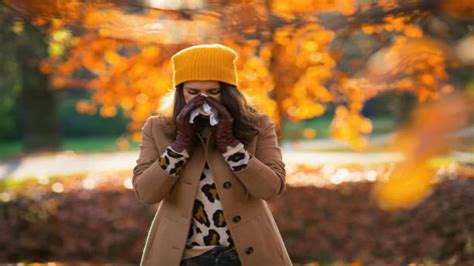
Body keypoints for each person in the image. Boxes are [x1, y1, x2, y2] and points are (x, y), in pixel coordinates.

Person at [132, 43, 292, 266]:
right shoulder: (157, 128)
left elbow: (271, 188)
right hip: (183, 258)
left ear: (228, 93)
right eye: (193, 92)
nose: (203, 101)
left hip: (245, 256)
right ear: (181, 92)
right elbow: (146, 193)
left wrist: (231, 146)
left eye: (213, 92)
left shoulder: (258, 125)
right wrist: (180, 146)